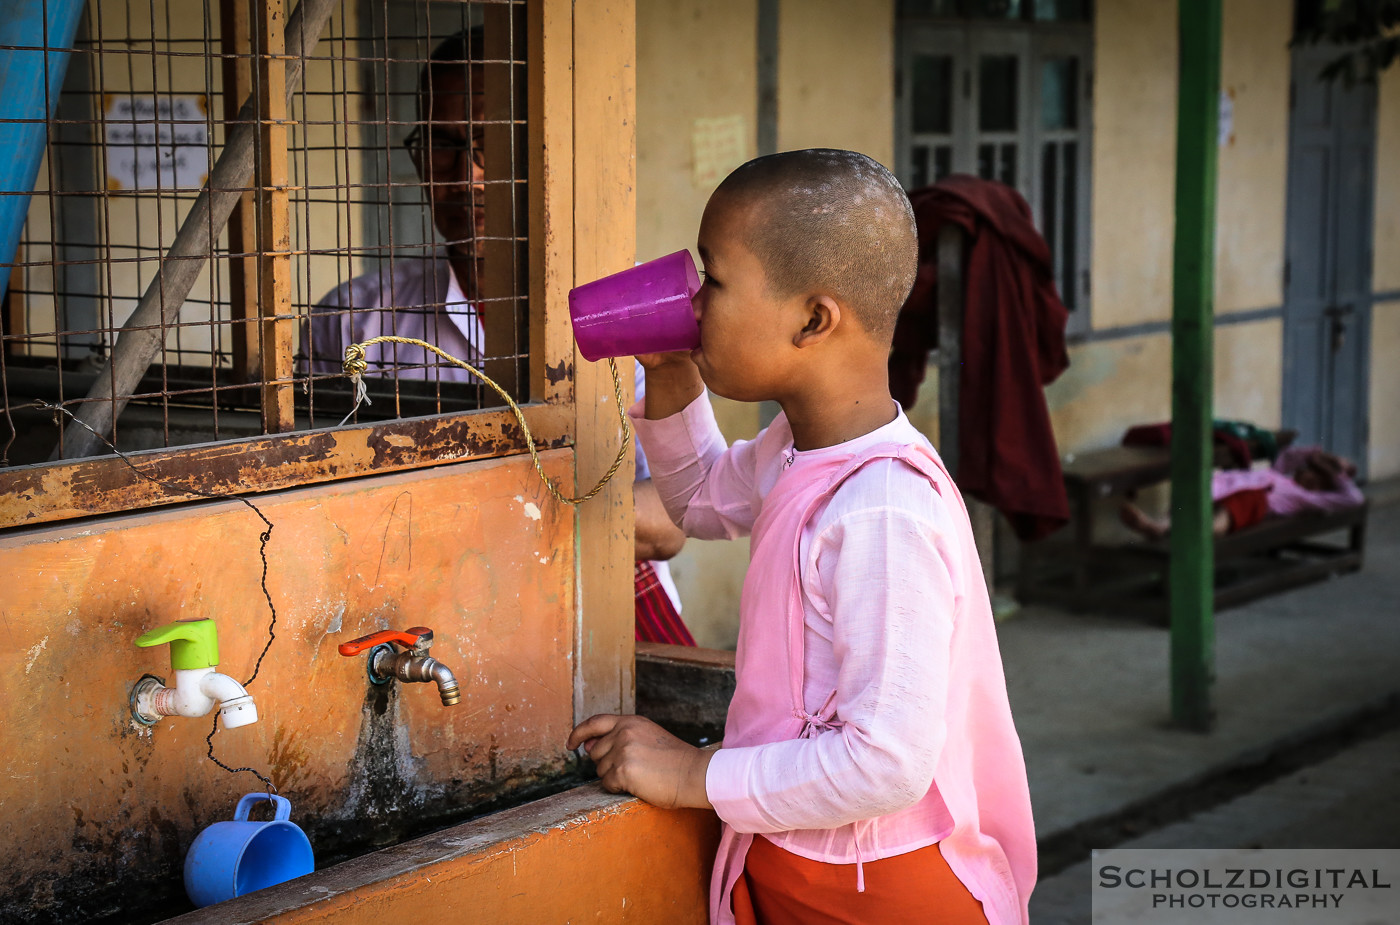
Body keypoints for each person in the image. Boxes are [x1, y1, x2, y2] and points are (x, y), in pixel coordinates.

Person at [567, 150, 1036, 925]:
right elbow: (701, 500)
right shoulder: (799, 446)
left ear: (813, 319)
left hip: (882, 890)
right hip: (801, 866)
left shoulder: (884, 509)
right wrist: (675, 376)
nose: (691, 298)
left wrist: (694, 773)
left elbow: (886, 763)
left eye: (712, 279)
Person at [302, 29, 487, 383]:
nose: (468, 178)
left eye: (492, 142)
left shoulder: (621, 306)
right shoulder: (351, 322)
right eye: (441, 144)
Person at [1120, 445, 1365, 539]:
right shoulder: (1281, 474)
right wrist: (1321, 457)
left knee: (1227, 511)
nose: (1308, 474)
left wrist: (1334, 470)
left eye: (1317, 477)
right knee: (1189, 495)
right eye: (1310, 471)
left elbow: (1354, 498)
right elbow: (1291, 455)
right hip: (1222, 486)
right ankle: (1159, 526)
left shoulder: (1308, 499)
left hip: (1254, 500)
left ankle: (1194, 535)